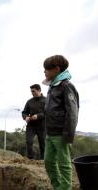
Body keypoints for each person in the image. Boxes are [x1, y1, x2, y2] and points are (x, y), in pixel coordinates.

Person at [42, 55, 79, 190]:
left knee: (64, 164)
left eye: (46, 69)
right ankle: (58, 187)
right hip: (50, 132)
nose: (44, 72)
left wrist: (68, 135)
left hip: (61, 134)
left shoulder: (66, 86)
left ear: (56, 69)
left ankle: (66, 188)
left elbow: (72, 112)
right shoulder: (53, 86)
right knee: (49, 162)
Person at [21, 84, 46, 160]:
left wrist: (38, 116)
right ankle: (30, 159)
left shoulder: (46, 100)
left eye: (33, 91)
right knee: (29, 141)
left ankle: (43, 160)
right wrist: (26, 117)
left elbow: (48, 113)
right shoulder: (29, 101)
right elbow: (24, 112)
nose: (32, 93)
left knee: (43, 144)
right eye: (31, 91)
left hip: (42, 126)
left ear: (39, 90)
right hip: (31, 125)